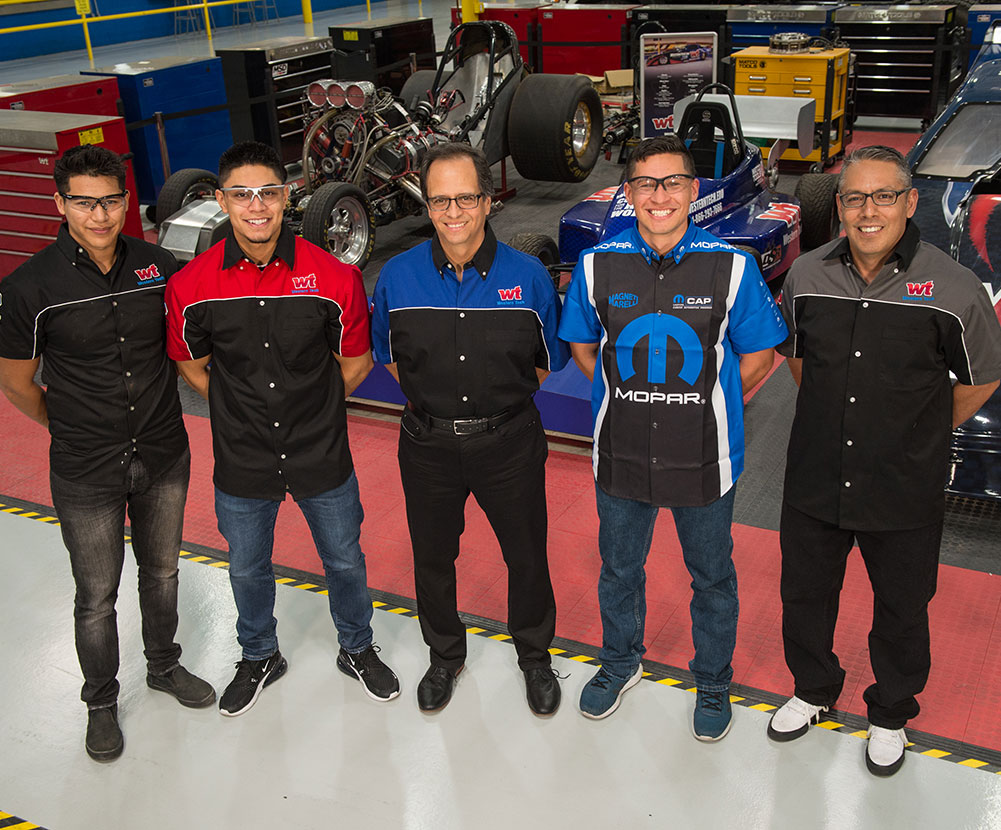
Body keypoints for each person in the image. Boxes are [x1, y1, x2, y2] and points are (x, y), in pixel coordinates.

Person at [769, 145, 1001, 775]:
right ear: (839, 205)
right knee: (805, 595)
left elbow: (981, 378)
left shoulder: (953, 288)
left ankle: (891, 710)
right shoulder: (806, 275)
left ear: (909, 202)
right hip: (816, 475)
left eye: (883, 196)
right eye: (854, 198)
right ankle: (813, 688)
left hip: (903, 484)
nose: (867, 211)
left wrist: (919, 431)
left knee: (901, 605)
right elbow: (799, 363)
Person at [559, 135, 787, 740]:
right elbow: (583, 348)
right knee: (619, 569)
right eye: (645, 183)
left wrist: (705, 401)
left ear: (693, 190)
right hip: (621, 452)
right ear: (628, 193)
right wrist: (627, 395)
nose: (659, 195)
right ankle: (620, 662)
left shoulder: (732, 266)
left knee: (711, 576)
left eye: (673, 182)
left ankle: (712, 679)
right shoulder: (596, 265)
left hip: (705, 456)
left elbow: (760, 358)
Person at [164, 141, 399, 716]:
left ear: (287, 196)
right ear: (221, 200)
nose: (257, 206)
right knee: (247, 567)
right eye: (242, 195)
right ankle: (259, 655)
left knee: (344, 560)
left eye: (268, 192)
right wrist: (234, 409)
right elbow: (191, 365)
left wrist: (314, 407)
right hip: (242, 456)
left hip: (320, 451)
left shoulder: (334, 276)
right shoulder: (192, 284)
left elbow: (356, 363)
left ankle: (357, 646)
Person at [0, 145, 215, 762]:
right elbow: (16, 383)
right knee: (96, 596)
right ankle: (100, 702)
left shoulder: (159, 267)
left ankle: (164, 666)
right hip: (85, 467)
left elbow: (189, 343)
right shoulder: (28, 288)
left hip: (163, 451)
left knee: (163, 571)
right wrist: (67, 425)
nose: (100, 215)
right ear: (60, 204)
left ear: (127, 201)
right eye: (84, 202)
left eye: (111, 201)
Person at [370, 143, 569, 715]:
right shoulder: (397, 277)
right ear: (427, 205)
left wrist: (496, 404)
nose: (453, 211)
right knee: (433, 558)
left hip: (510, 443)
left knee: (526, 556)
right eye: (440, 200)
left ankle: (535, 657)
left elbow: (545, 361)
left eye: (465, 198)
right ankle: (444, 656)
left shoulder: (529, 278)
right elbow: (390, 358)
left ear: (487, 201)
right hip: (426, 445)